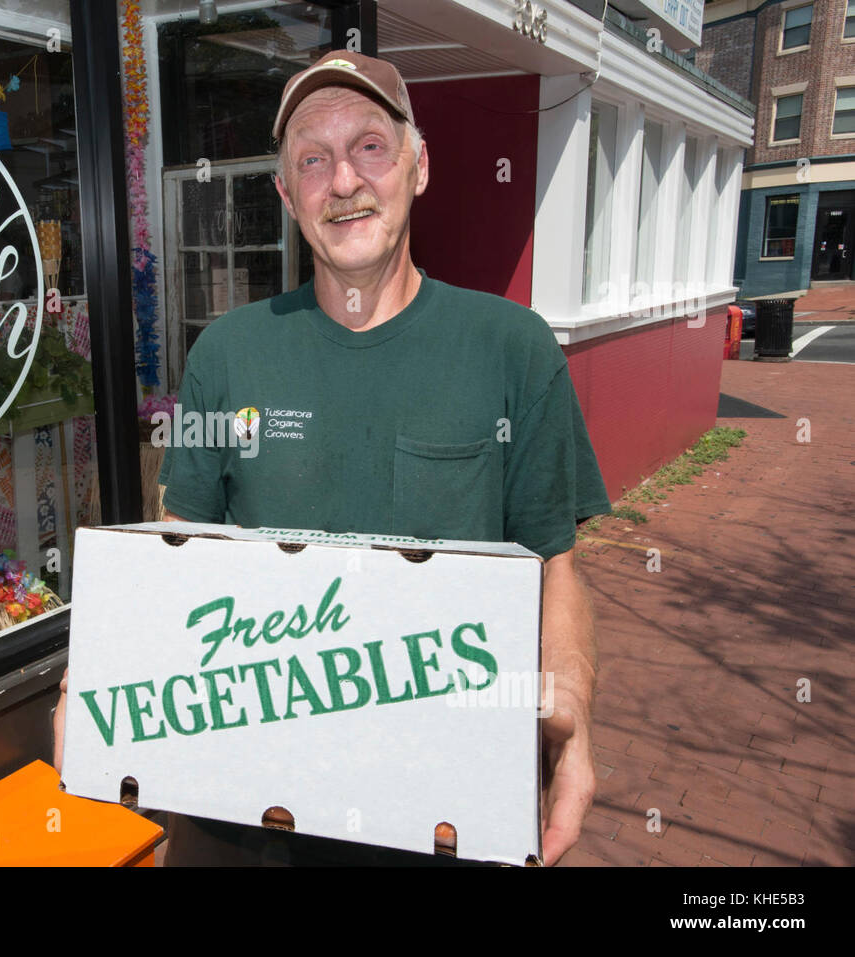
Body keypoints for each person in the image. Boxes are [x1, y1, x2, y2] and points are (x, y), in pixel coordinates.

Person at [54, 49, 611, 866]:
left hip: (442, 815)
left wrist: (574, 709)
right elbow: (179, 551)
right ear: (285, 195)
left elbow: (554, 565)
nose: (342, 180)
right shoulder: (228, 353)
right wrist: (94, 680)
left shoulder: (510, 349)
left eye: (370, 147)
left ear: (419, 167)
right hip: (239, 814)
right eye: (312, 159)